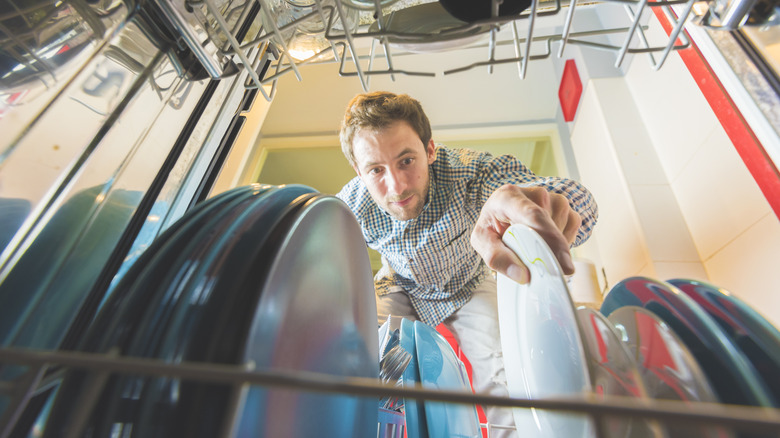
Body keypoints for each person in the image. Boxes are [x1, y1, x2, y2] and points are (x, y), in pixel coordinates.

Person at [335, 91, 598, 436]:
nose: (395, 186)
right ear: (358, 170)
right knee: (365, 361)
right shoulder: (349, 205)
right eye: (375, 170)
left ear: (430, 150)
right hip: (399, 284)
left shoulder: (470, 172)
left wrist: (545, 207)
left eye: (406, 161)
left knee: (502, 378)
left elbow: (576, 203)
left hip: (469, 284)